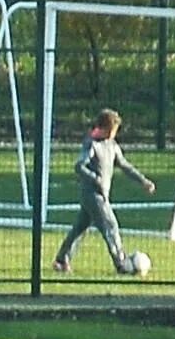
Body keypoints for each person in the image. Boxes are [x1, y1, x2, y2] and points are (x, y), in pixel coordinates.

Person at [53, 108, 156, 276]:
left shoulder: (112, 146)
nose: (114, 134)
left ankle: (62, 260)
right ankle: (121, 264)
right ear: (106, 128)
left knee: (80, 228)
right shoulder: (91, 144)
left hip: (99, 195)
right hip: (93, 195)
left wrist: (143, 181)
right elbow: (79, 166)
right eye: (113, 130)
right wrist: (96, 179)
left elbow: (125, 165)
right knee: (110, 225)